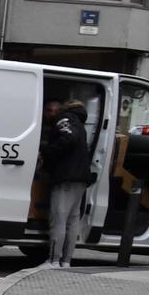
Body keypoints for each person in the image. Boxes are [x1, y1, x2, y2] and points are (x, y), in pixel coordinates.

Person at [41, 99, 93, 268]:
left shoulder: (64, 119)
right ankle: (66, 261)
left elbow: (68, 138)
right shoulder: (79, 122)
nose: (50, 114)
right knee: (72, 221)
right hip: (81, 178)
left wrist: (47, 153)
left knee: (59, 219)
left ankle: (53, 260)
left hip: (66, 178)